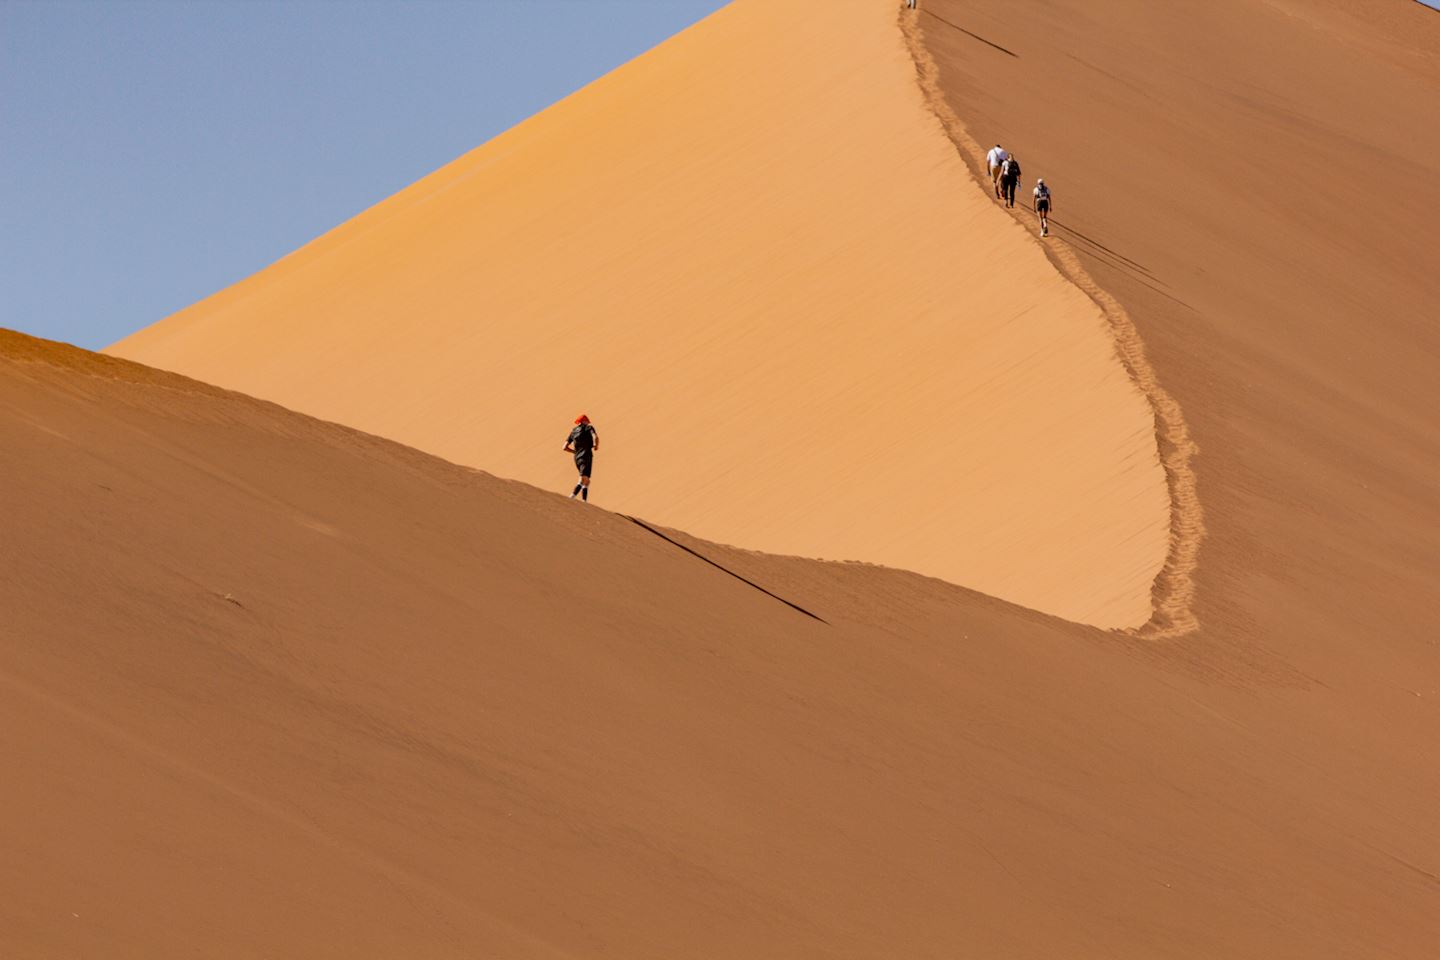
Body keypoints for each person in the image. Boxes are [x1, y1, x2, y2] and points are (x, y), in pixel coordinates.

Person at [564, 414, 599, 501]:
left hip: (577, 457)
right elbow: (596, 437)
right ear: (583, 421)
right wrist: (596, 445)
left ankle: (584, 501)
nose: (588, 422)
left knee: (587, 480)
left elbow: (564, 447)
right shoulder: (589, 428)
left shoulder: (573, 431)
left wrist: (575, 452)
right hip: (586, 455)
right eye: (587, 421)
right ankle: (571, 498)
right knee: (582, 479)